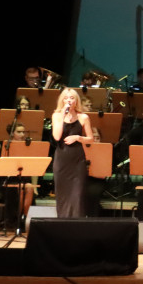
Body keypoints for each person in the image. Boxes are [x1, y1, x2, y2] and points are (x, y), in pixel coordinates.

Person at [51, 88, 94, 218]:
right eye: (66, 98)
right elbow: (57, 137)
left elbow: (91, 139)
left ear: (76, 101)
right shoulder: (56, 116)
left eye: (72, 98)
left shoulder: (83, 117)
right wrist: (63, 115)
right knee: (63, 194)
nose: (69, 100)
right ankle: (63, 224)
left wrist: (78, 138)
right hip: (62, 158)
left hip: (77, 159)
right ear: (62, 100)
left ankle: (77, 225)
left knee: (77, 194)